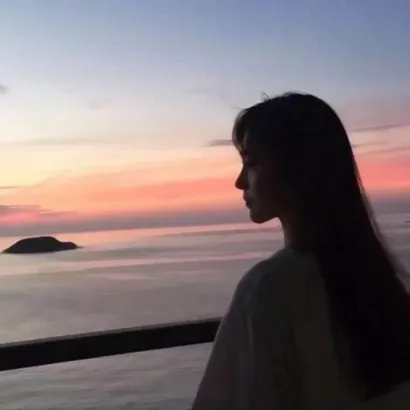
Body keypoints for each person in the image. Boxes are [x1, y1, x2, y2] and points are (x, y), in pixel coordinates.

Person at [191, 92, 410, 409]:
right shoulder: (382, 284)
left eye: (251, 163)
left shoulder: (268, 290)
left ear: (295, 169)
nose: (240, 181)